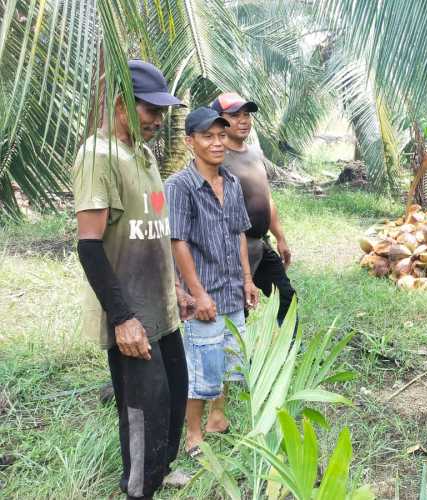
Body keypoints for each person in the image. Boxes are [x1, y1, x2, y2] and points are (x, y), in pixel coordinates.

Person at [73, 60, 194, 499]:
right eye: (150, 110)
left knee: (174, 394)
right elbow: (89, 246)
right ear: (122, 104)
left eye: (163, 112)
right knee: (143, 407)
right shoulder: (97, 155)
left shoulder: (143, 155)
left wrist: (176, 288)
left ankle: (160, 472)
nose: (158, 121)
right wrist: (122, 318)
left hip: (161, 304)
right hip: (131, 313)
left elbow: (154, 228)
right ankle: (139, 487)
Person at [165, 107, 260, 458]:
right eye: (208, 136)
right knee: (201, 366)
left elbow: (238, 234)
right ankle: (193, 436)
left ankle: (218, 419)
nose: (217, 142)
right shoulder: (179, 186)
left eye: (221, 135)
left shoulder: (231, 182)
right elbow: (178, 242)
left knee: (229, 361)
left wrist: (248, 279)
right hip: (202, 294)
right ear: (191, 142)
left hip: (232, 289)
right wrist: (198, 293)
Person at [210, 92, 297, 326]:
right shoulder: (216, 158)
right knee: (237, 309)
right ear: (218, 120)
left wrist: (281, 238)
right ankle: (237, 358)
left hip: (261, 242)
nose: (244, 120)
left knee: (286, 296)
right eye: (235, 115)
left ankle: (287, 352)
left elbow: (267, 198)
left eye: (246, 115)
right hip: (234, 247)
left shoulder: (255, 153)